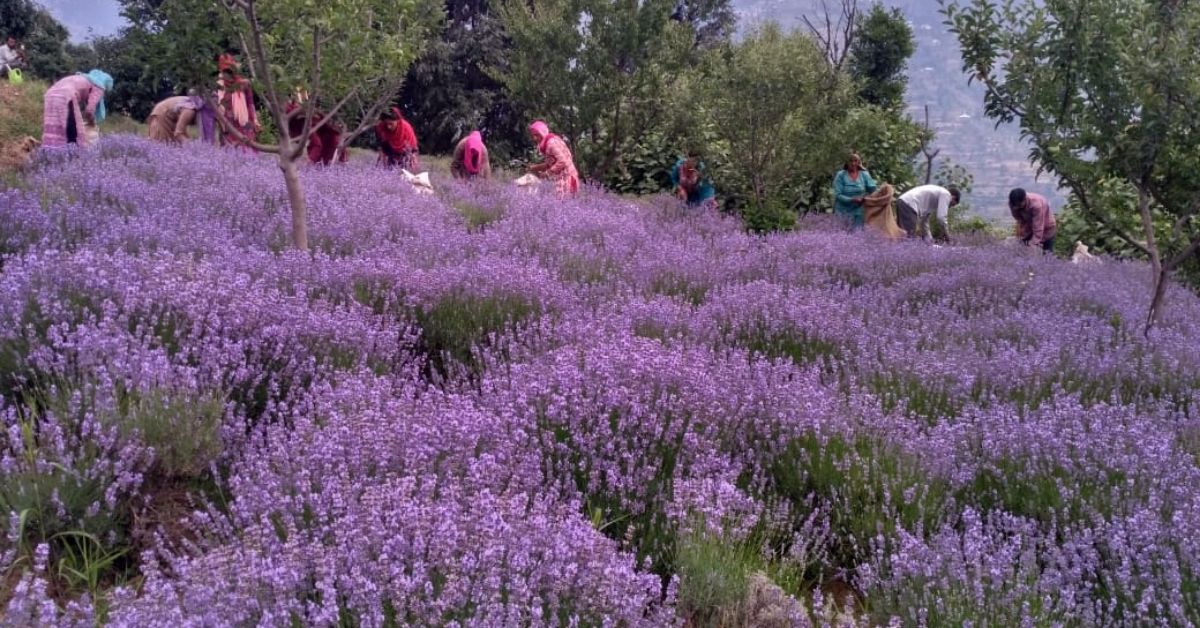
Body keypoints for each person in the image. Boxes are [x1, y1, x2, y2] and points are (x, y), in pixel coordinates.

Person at [41, 69, 113, 148]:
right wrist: (92, 122)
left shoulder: (82, 78)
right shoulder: (99, 86)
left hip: (50, 94)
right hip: (66, 95)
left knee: (56, 126)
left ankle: (52, 151)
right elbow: (89, 110)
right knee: (72, 130)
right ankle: (72, 154)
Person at [216, 54, 259, 151]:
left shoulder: (244, 84)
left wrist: (254, 119)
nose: (227, 74)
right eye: (224, 71)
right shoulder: (219, 86)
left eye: (229, 71)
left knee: (248, 148)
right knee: (229, 151)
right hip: (228, 123)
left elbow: (250, 103)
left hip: (244, 122)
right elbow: (218, 107)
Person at [285, 100, 347, 166]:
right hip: (306, 124)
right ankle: (312, 165)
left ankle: (317, 164)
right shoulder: (301, 120)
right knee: (318, 144)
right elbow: (316, 144)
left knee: (333, 141)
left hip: (324, 129)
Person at [528, 120, 579, 198]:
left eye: (536, 135)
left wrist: (547, 173)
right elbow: (551, 163)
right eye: (533, 136)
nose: (534, 138)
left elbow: (562, 161)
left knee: (562, 204)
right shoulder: (547, 143)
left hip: (567, 177)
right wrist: (535, 167)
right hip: (563, 177)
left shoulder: (551, 143)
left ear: (542, 133)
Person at [896, 185, 961, 242]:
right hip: (909, 204)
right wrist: (946, 234)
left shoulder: (935, 198)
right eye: (952, 204)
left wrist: (929, 239)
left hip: (903, 201)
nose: (949, 207)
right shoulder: (946, 194)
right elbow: (941, 217)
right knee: (909, 237)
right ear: (953, 197)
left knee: (901, 235)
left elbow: (924, 221)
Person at [147, 94, 216, 144]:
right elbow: (179, 133)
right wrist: (195, 147)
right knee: (161, 145)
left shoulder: (209, 112)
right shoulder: (190, 110)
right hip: (162, 115)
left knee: (175, 147)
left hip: (173, 119)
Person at [833, 152, 877, 229]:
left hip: (858, 210)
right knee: (841, 235)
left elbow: (872, 189)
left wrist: (866, 172)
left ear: (859, 162)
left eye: (856, 161)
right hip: (843, 210)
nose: (853, 163)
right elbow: (838, 194)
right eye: (850, 161)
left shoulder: (863, 174)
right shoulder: (841, 175)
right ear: (846, 162)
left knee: (857, 234)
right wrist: (852, 199)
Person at [1009, 188, 1057, 252]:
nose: (1017, 207)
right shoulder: (1013, 203)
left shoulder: (1036, 204)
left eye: (1019, 205)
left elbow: (1038, 227)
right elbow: (1019, 219)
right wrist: (1021, 232)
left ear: (1024, 199)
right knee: (1022, 248)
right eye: (1016, 205)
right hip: (1028, 226)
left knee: (1047, 253)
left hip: (1046, 227)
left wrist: (1032, 244)